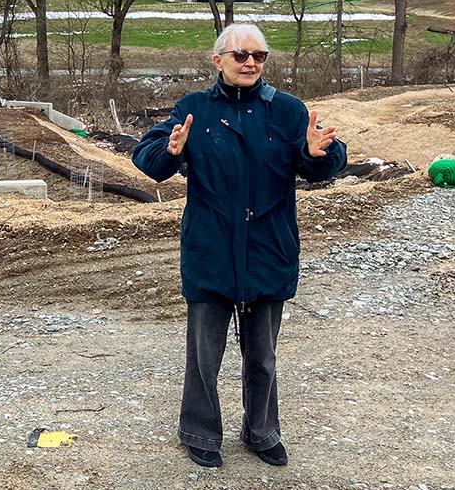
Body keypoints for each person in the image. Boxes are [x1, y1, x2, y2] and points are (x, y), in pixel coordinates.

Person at [132, 23, 346, 469]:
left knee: (263, 358)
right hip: (210, 253)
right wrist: (171, 151)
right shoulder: (193, 110)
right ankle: (200, 432)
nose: (251, 63)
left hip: (269, 252)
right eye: (241, 55)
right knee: (203, 358)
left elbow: (326, 163)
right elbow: (149, 162)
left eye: (259, 56)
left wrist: (317, 152)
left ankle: (262, 432)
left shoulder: (288, 111)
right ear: (218, 61)